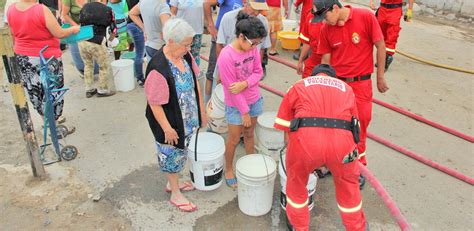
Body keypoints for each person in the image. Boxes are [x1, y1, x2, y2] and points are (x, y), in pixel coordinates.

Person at [274, 64, 366, 231]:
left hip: (306, 143)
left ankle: (300, 227)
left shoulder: (298, 86)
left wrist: (295, 157)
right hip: (342, 144)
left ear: (314, 75)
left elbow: (284, 125)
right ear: (333, 78)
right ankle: (356, 227)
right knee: (349, 188)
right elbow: (356, 129)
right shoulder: (347, 89)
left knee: (296, 185)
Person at [315, 0, 389, 187]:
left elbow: (381, 46)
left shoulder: (365, 17)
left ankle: (357, 167)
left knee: (359, 126)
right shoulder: (326, 29)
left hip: (361, 83)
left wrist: (380, 77)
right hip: (338, 83)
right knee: (332, 124)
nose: (324, 21)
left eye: (325, 15)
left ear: (336, 8)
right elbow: (326, 58)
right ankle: (330, 162)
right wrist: (324, 83)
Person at [144, 18, 206, 212]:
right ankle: (175, 193)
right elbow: (154, 104)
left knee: (182, 151)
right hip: (169, 122)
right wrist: (167, 129)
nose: (189, 48)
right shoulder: (158, 67)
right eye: (185, 44)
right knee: (170, 153)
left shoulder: (184, 55)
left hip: (187, 117)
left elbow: (195, 82)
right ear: (170, 41)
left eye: (190, 44)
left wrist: (202, 111)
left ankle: (174, 183)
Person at [7, 0, 80, 127]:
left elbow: (13, 35)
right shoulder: (41, 10)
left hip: (24, 57)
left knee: (35, 90)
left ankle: (45, 121)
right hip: (46, 57)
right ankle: (54, 124)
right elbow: (59, 33)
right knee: (53, 90)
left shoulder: (11, 9)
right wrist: (74, 29)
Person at [217, 13, 267, 188]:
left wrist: (245, 83)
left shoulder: (252, 49)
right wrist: (244, 111)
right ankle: (229, 169)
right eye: (253, 42)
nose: (255, 46)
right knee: (233, 138)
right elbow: (232, 90)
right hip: (236, 105)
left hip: (254, 99)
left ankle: (249, 163)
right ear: (240, 36)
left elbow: (258, 72)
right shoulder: (226, 56)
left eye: (257, 43)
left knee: (249, 134)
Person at [216, 0, 271, 81]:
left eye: (260, 10)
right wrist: (222, 70)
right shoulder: (228, 18)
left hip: (248, 73)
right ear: (245, 3)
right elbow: (219, 45)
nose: (257, 13)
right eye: (255, 8)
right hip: (228, 68)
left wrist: (255, 70)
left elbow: (262, 49)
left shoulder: (263, 22)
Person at [203, 0, 243, 102]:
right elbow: (206, 3)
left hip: (240, 45)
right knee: (212, 74)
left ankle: (224, 103)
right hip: (220, 41)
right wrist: (210, 25)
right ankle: (207, 104)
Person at [78, 2, 116, 97]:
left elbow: (80, 21)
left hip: (82, 39)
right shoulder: (108, 10)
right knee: (104, 66)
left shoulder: (85, 6)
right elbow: (114, 30)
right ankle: (102, 90)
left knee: (88, 64)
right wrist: (110, 41)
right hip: (97, 40)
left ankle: (89, 89)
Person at [370, 0, 414, 70]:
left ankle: (386, 60)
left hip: (395, 11)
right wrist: (372, 2)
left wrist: (410, 10)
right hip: (382, 10)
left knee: (392, 36)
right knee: (380, 36)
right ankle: (381, 59)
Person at [61, 0, 99, 77]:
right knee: (79, 56)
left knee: (96, 53)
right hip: (76, 29)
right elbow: (64, 15)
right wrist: (76, 26)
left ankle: (96, 70)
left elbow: (98, 8)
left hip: (90, 27)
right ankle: (84, 72)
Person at [169, 0, 204, 66]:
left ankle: (195, 74)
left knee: (195, 56)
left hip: (197, 32)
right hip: (182, 33)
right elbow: (172, 12)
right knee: (181, 56)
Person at [296, 7, 323, 78]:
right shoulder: (311, 16)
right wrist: (300, 61)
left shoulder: (334, 17)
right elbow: (306, 42)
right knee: (306, 83)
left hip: (332, 63)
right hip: (313, 60)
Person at [125, 0, 145, 86]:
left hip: (132, 23)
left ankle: (139, 76)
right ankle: (140, 78)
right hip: (137, 23)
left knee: (140, 52)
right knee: (140, 53)